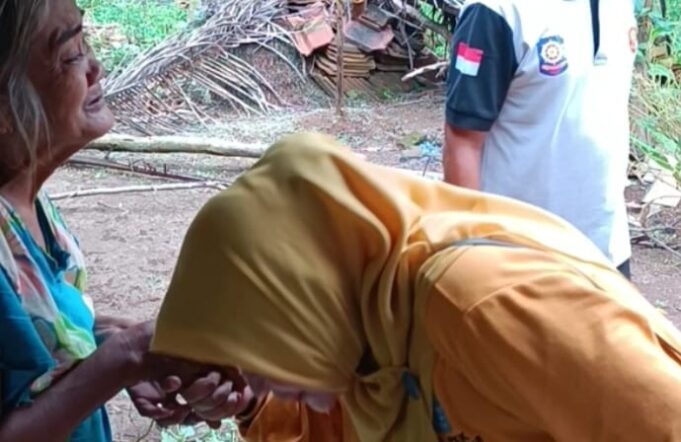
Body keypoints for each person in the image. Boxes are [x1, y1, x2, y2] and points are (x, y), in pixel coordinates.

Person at [151, 133, 681, 441]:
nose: (254, 376)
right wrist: (251, 406)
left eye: (259, 347)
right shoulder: (372, 337)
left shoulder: (479, 304)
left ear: (305, 297)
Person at [0, 1, 252, 440]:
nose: (95, 67)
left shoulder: (31, 209)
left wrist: (126, 347)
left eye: (85, 43)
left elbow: (37, 339)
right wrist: (126, 357)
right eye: (70, 55)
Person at [442, 0, 637, 278]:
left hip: (606, 252)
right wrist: (471, 257)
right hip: (516, 261)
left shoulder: (619, 6)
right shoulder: (495, 11)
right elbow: (462, 141)